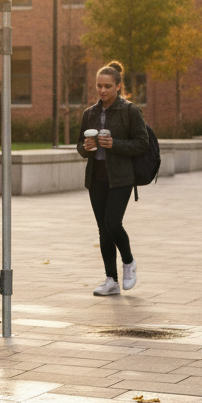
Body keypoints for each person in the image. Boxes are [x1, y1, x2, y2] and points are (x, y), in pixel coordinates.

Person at [76, 60, 148, 297]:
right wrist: (86, 147)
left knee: (112, 223)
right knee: (103, 230)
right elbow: (80, 147)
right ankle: (111, 280)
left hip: (121, 178)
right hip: (96, 178)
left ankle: (129, 262)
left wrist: (114, 144)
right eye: (99, 86)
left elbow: (142, 143)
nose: (102, 90)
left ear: (118, 86)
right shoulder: (90, 113)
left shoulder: (129, 111)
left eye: (107, 86)